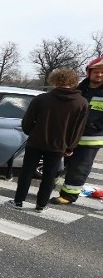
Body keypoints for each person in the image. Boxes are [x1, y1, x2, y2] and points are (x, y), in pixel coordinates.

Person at [8, 68, 87, 211]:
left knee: (27, 171)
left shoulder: (41, 99)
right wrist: (70, 147)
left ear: (54, 81)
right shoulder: (81, 103)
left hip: (36, 141)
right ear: (74, 82)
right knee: (50, 175)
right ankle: (41, 205)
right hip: (59, 145)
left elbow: (27, 121)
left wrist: (32, 133)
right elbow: (78, 129)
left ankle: (18, 201)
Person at [51, 57, 103, 205]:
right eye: (96, 72)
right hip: (69, 136)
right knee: (56, 163)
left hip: (91, 137)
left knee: (79, 167)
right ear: (89, 72)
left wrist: (96, 126)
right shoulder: (79, 89)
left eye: (102, 72)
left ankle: (68, 196)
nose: (99, 75)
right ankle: (47, 187)